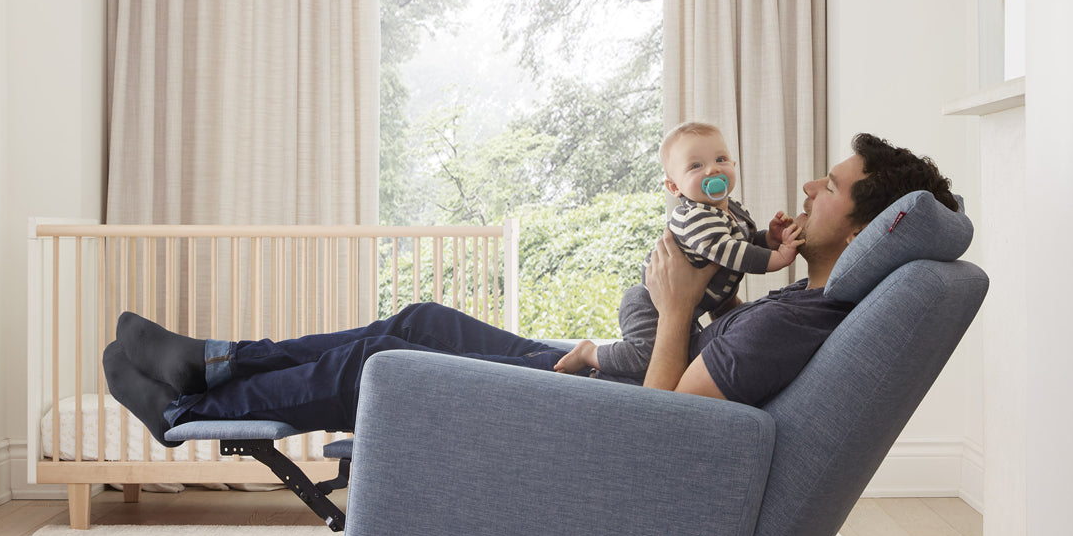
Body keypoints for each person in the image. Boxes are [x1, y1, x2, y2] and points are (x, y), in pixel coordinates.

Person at [104, 132, 957, 445]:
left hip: (598, 413)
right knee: (419, 317)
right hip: (594, 378)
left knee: (390, 359)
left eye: (831, 188)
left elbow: (666, 434)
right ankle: (212, 366)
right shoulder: (810, 306)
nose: (808, 188)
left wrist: (670, 309)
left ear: (868, 223)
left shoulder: (798, 323)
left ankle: (192, 404)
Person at [553, 121, 802, 378]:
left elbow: (743, 243)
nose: (713, 169)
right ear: (674, 187)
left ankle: (606, 377)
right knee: (643, 360)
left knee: (679, 359)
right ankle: (588, 353)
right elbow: (730, 252)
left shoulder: (732, 210)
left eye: (721, 159)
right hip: (651, 303)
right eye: (696, 165)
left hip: (687, 305)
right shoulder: (695, 216)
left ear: (734, 167)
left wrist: (768, 239)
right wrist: (779, 258)